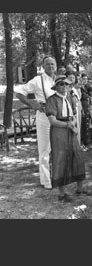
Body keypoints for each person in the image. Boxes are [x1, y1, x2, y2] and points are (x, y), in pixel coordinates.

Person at [45, 75, 92, 203]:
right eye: (61, 84)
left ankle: (80, 189)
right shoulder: (51, 100)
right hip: (59, 132)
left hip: (70, 130)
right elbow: (52, 120)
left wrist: (73, 126)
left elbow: (73, 115)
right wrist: (68, 125)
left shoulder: (70, 98)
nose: (64, 86)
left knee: (77, 156)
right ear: (56, 87)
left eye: (66, 84)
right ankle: (61, 194)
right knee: (60, 159)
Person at [15, 56, 57, 190]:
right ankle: (46, 180)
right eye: (47, 64)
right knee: (44, 149)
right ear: (43, 66)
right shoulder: (38, 80)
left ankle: (56, 176)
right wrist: (31, 104)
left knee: (57, 147)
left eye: (52, 64)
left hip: (57, 116)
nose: (50, 66)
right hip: (44, 115)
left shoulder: (57, 80)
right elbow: (20, 92)